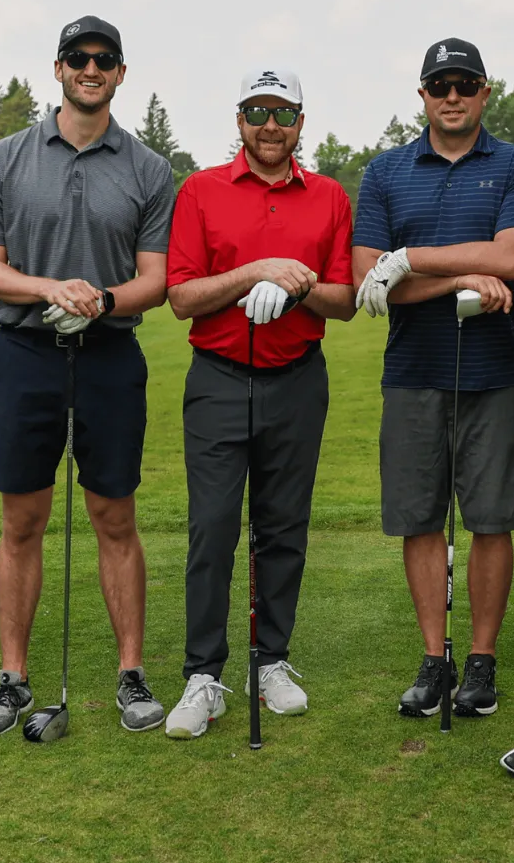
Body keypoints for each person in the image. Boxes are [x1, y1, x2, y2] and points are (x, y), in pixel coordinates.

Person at [0, 15, 175, 736]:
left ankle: (131, 674)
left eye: (104, 59)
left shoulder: (149, 169)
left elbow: (156, 280)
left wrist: (103, 301)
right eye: (78, 57)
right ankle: (13, 679)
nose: (91, 68)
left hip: (110, 356)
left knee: (114, 516)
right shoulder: (7, 157)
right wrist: (51, 288)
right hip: (24, 355)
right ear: (58, 68)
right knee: (22, 518)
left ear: (120, 73)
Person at [162, 68, 356, 739]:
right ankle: (202, 674)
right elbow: (181, 295)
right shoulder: (201, 189)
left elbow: (345, 299)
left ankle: (270, 661)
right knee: (213, 527)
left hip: (297, 379)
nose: (270, 125)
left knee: (283, 527)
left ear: (301, 122)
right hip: (219, 377)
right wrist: (256, 271)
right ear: (239, 119)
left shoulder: (329, 196)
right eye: (257, 112)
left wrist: (297, 288)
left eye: (283, 113)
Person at [353, 38, 514, 719]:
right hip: (412, 372)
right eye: (440, 85)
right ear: (423, 96)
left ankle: (482, 661)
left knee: (491, 519)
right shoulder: (385, 172)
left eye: (465, 84)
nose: (453, 96)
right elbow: (369, 283)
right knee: (420, 519)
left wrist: (408, 259)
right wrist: (460, 273)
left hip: (493, 373)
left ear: (485, 91)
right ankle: (435, 660)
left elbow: (509, 259)